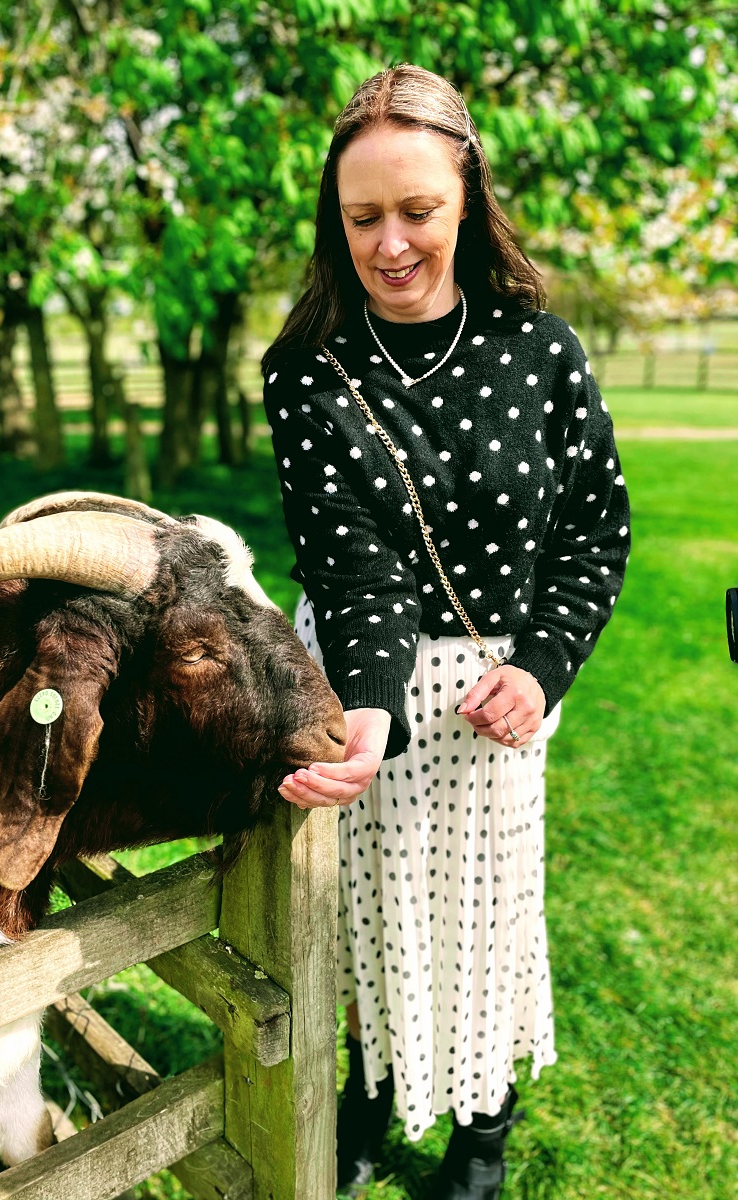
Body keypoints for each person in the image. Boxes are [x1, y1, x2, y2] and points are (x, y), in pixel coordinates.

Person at [261, 65, 630, 1199]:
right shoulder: (305, 375)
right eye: (362, 217)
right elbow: (354, 567)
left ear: (466, 196)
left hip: (501, 696)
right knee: (367, 919)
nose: (391, 243)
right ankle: (373, 1091)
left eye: (416, 210)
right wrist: (368, 707)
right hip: (365, 694)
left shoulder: (543, 352)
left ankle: (481, 1130)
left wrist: (543, 664)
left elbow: (596, 531)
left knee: (485, 926)